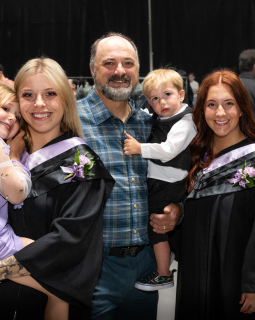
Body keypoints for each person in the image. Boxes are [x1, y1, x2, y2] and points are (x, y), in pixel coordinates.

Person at [0, 57, 115, 319]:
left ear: (66, 98)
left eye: (51, 93)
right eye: (28, 94)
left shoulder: (81, 164)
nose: (39, 104)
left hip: (39, 295)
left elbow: (71, 240)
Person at [176, 69, 255, 320]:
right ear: (202, 110)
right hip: (195, 276)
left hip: (239, 287)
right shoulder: (196, 159)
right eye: (211, 105)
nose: (220, 113)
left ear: (242, 109)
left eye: (229, 104)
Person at [77, 32, 182, 319]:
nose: (120, 71)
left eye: (128, 63)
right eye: (109, 63)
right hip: (94, 268)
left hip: (146, 265)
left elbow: (173, 180)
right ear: (92, 70)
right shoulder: (71, 122)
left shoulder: (152, 124)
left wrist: (177, 210)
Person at [123, 69, 197, 291]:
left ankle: (164, 273)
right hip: (160, 181)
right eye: (155, 98)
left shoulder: (186, 120)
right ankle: (166, 257)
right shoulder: (162, 118)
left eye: (167, 95)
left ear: (181, 95)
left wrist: (139, 149)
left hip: (168, 183)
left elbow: (169, 150)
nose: (161, 102)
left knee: (156, 228)